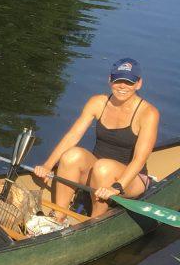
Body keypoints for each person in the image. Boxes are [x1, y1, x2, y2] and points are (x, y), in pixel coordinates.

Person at [34, 57, 158, 220]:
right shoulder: (97, 103)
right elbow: (72, 136)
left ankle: (93, 221)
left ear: (138, 84)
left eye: (129, 82)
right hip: (97, 173)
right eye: (118, 80)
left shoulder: (148, 113)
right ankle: (59, 216)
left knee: (102, 167)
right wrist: (48, 165)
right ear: (110, 80)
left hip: (131, 180)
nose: (122, 86)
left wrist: (117, 187)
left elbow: (139, 160)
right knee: (72, 155)